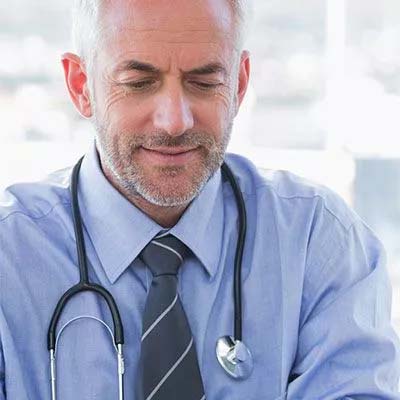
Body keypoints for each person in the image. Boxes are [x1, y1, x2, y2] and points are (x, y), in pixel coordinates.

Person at [0, 0, 399, 398]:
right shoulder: (10, 259)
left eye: (204, 83)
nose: (175, 121)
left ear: (240, 85)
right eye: (139, 83)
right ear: (80, 86)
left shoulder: (319, 243)